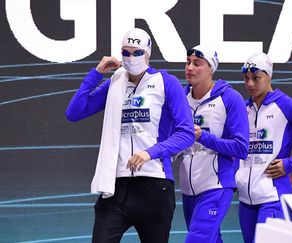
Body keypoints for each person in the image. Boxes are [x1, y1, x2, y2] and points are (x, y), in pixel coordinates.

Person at [65, 28, 195, 243]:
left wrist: (150, 153)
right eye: (125, 52)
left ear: (148, 53)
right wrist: (96, 74)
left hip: (155, 184)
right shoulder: (115, 83)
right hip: (117, 186)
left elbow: (187, 133)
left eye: (137, 52)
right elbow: (74, 112)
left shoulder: (166, 82)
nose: (131, 57)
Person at [235, 52, 292, 243]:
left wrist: (290, 164)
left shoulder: (288, 105)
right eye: (246, 79)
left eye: (256, 78)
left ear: (269, 76)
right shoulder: (242, 110)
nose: (250, 84)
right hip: (245, 200)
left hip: (273, 197)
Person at [179, 45, 249, 242]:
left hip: (216, 185)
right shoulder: (181, 98)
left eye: (197, 64)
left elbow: (241, 148)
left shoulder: (229, 98)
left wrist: (203, 136)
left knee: (197, 240)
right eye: (188, 62)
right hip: (188, 188)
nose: (190, 68)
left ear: (211, 69)